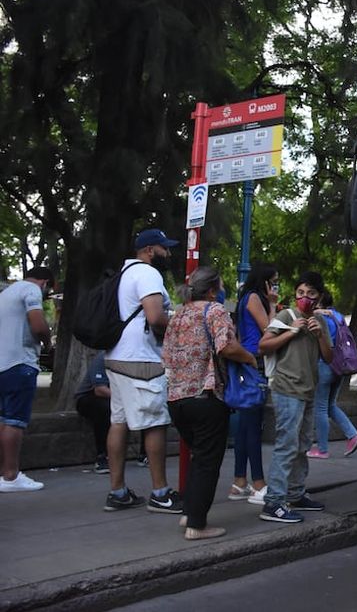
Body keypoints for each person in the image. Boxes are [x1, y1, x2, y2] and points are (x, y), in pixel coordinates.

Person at [163, 266, 256, 540]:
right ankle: (197, 524)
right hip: (206, 396)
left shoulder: (179, 314)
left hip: (177, 399)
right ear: (213, 289)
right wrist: (249, 358)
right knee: (207, 461)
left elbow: (166, 354)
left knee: (198, 456)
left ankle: (188, 513)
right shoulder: (214, 311)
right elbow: (226, 347)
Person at [102, 228, 182, 514]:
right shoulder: (148, 274)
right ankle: (160, 493)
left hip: (116, 357)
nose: (169, 254)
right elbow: (154, 317)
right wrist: (179, 323)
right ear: (150, 250)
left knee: (119, 422)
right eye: (165, 248)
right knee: (155, 423)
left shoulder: (123, 274)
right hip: (142, 361)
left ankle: (118, 491)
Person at [257, 271, 333, 523]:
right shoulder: (285, 316)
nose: (305, 298)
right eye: (301, 293)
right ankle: (274, 502)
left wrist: (319, 334)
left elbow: (329, 357)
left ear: (319, 297)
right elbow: (263, 345)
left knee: (302, 445)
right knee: (286, 445)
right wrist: (292, 331)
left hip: (308, 389)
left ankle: (295, 493)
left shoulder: (319, 323)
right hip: (286, 389)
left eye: (311, 294)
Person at [0, 266, 54, 493]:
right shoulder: (31, 291)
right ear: (45, 282)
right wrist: (48, 342)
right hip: (20, 362)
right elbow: (38, 325)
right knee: (15, 420)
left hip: (3, 363)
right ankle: (12, 476)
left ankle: (4, 472)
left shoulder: (6, 293)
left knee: (3, 419)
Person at [230, 263, 278, 505]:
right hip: (255, 361)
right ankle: (259, 483)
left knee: (244, 425)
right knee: (253, 425)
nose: (276, 287)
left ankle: (240, 481)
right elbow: (269, 329)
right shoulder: (255, 299)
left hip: (245, 362)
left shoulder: (243, 300)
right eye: (274, 282)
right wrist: (272, 304)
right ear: (265, 282)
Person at [307, 294, 357, 460]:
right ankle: (353, 435)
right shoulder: (337, 316)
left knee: (321, 407)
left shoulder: (319, 316)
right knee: (331, 405)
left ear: (320, 302)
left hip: (325, 364)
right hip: (340, 365)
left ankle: (322, 449)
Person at [75, 352, 112, 474]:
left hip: (116, 397)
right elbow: (100, 390)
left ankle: (144, 454)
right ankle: (102, 456)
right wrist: (125, 398)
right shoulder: (103, 358)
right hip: (88, 397)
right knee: (103, 408)